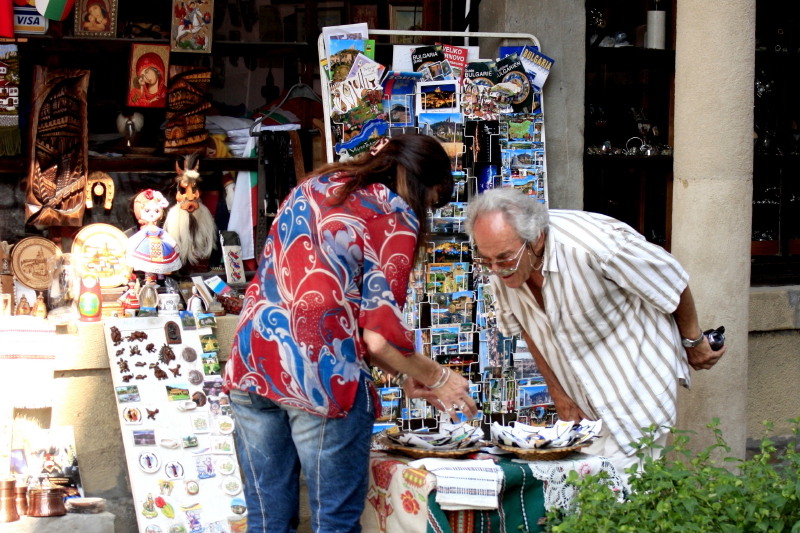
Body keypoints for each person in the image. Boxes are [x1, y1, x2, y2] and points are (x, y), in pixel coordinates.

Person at [223, 133, 478, 533]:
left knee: (267, 520)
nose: (428, 211)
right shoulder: (392, 212)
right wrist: (440, 378)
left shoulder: (315, 185)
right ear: (421, 183)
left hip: (252, 363)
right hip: (322, 376)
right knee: (334, 524)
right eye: (434, 201)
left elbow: (339, 307)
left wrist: (408, 372)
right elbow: (377, 338)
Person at [464, 187, 726, 480]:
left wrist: (694, 341)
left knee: (623, 501)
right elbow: (528, 327)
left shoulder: (594, 244)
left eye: (504, 259)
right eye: (486, 260)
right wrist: (558, 394)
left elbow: (671, 278)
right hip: (583, 407)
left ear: (535, 239)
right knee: (586, 497)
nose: (497, 270)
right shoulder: (502, 262)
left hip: (634, 388)